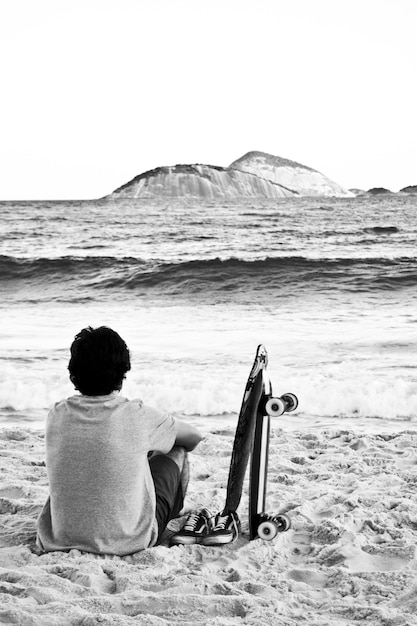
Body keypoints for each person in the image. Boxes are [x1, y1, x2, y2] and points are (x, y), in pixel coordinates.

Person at [36, 326, 204, 555]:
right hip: (128, 540)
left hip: (59, 538)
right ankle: (172, 515)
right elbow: (194, 438)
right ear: (122, 372)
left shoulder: (56, 414)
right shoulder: (137, 414)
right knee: (176, 449)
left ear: (73, 373)